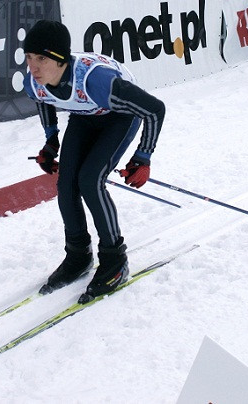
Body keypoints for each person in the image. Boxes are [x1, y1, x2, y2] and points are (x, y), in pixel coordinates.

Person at [23, 20, 165, 304]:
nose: (33, 67)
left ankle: (115, 260)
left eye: (41, 58)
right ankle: (78, 256)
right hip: (85, 114)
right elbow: (43, 99)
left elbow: (154, 109)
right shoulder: (34, 81)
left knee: (90, 181)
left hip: (119, 114)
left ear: (61, 59)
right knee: (66, 183)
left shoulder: (96, 80)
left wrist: (143, 158)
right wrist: (51, 141)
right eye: (28, 57)